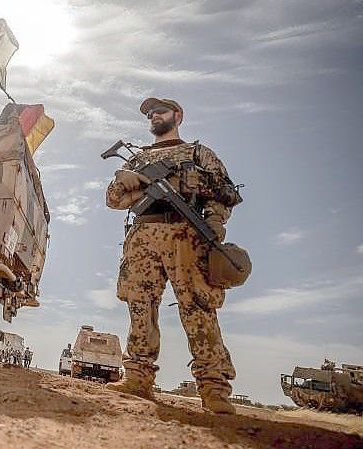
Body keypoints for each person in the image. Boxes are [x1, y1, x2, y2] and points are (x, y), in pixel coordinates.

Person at [106, 98, 241, 414]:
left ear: (177, 116)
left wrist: (215, 220)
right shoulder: (137, 157)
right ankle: (137, 377)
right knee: (140, 305)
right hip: (142, 235)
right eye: (150, 113)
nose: (154, 116)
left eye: (160, 111)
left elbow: (226, 192)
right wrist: (126, 181)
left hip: (186, 233)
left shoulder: (198, 153)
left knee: (198, 308)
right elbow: (113, 201)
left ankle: (214, 388)